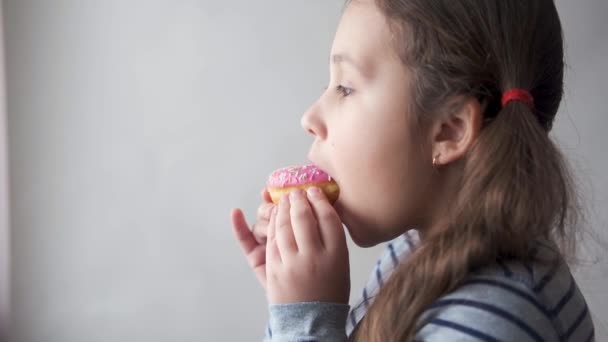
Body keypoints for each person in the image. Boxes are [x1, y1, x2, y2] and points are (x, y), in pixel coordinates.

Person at [230, 0, 596, 340]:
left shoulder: (489, 320)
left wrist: (305, 321)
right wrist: (295, 302)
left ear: (449, 130)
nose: (309, 118)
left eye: (345, 87)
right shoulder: (413, 254)